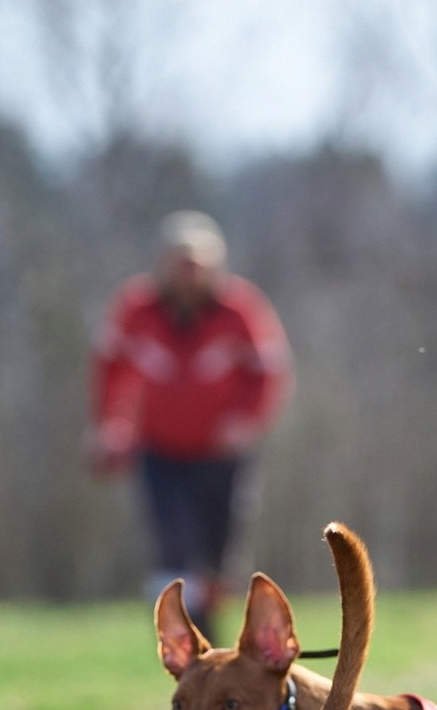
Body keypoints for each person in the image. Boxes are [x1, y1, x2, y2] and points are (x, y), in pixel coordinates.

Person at [89, 212, 293, 631]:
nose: (187, 275)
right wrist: (111, 426)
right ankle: (187, 640)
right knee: (175, 546)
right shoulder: (136, 309)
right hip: (160, 450)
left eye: (196, 265)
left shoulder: (240, 310)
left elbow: (269, 371)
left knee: (219, 555)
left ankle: (214, 625)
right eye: (178, 263)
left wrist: (246, 420)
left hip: (222, 456)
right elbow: (110, 368)